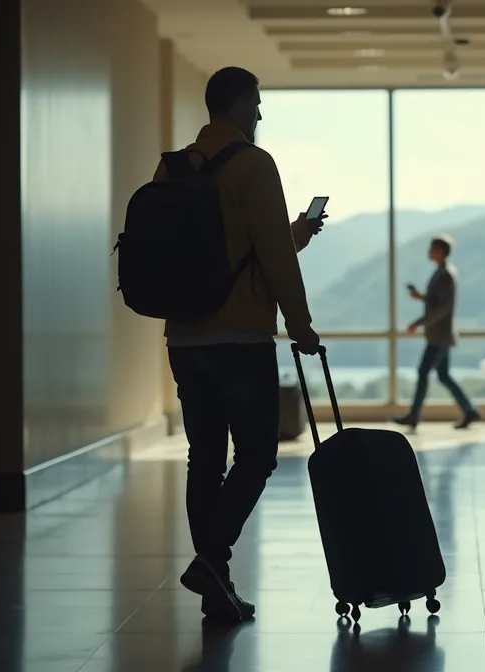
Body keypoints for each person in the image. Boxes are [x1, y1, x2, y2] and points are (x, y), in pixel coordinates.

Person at [160, 67, 323, 623]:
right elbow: (272, 257)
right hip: (241, 336)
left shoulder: (173, 166)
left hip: (184, 336)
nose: (259, 114)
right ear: (235, 106)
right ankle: (211, 560)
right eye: (255, 103)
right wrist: (300, 326)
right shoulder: (255, 164)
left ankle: (217, 587)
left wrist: (294, 233)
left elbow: (246, 249)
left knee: (203, 458)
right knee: (255, 455)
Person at [392, 235, 482, 431]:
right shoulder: (441, 273)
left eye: (432, 248)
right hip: (438, 335)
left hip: (439, 336)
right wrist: (421, 297)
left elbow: (443, 307)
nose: (429, 251)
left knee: (424, 372)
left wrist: (419, 322)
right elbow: (437, 301)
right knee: (443, 375)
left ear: (441, 251)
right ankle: (469, 409)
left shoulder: (446, 275)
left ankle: (414, 415)